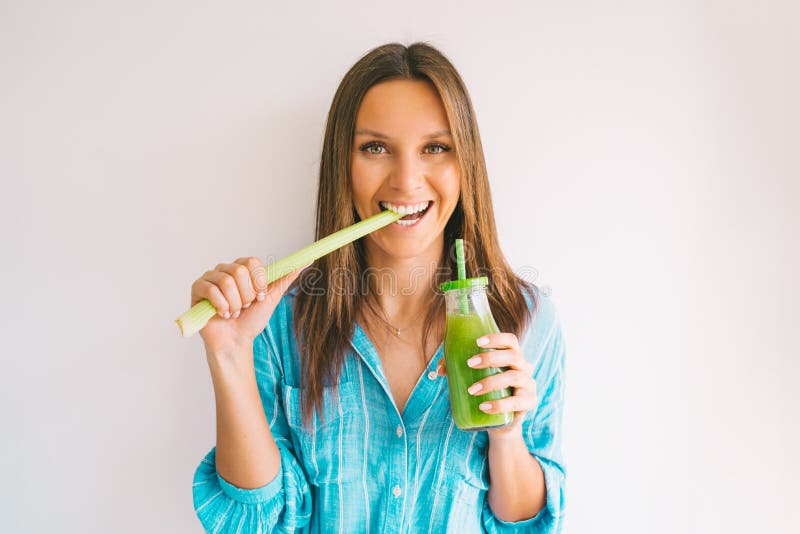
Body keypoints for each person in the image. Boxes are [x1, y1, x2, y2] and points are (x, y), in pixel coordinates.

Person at [190, 42, 566, 533]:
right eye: (375, 148)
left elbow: (524, 524)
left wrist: (508, 435)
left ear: (465, 163)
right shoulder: (279, 319)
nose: (407, 181)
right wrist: (231, 355)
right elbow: (261, 520)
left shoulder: (528, 320)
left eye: (436, 147)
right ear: (342, 165)